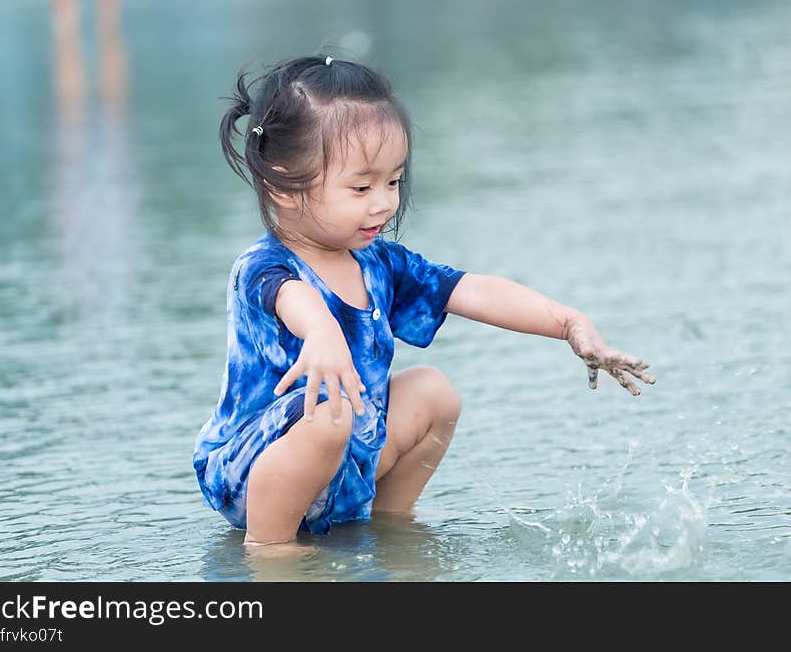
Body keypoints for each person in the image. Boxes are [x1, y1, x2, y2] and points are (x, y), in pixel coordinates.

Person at [192, 54, 656, 547]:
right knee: (329, 413)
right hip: (255, 469)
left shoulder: (378, 263)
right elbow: (293, 299)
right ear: (284, 185)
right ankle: (270, 553)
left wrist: (568, 322)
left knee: (433, 392)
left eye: (393, 181)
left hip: (348, 458)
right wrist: (322, 331)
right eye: (362, 186)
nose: (385, 202)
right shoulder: (263, 267)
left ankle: (388, 528)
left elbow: (469, 289)